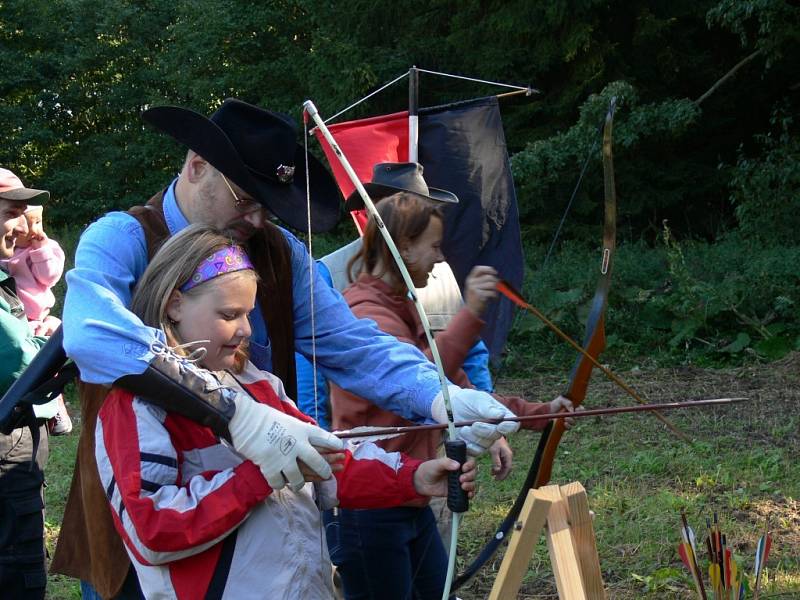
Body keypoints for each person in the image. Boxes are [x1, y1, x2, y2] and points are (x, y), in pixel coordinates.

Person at [53, 98, 519, 598]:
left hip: (264, 546)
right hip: (145, 521)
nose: (256, 219)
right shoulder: (123, 235)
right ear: (197, 166)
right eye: (244, 198)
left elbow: (354, 345)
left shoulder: (278, 252)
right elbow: (91, 333)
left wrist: (441, 398)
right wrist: (232, 414)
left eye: (267, 205)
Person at [95, 223, 477, 598]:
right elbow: (153, 529)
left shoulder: (257, 384)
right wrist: (262, 473)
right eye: (229, 315)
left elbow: (325, 458)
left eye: (248, 313)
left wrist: (414, 477)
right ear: (175, 304)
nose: (245, 329)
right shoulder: (138, 405)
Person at [328, 163, 576, 600]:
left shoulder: (406, 306)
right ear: (403, 247)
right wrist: (472, 312)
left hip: (410, 497)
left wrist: (540, 415)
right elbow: (421, 386)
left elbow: (458, 386)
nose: (441, 258)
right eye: (434, 247)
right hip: (372, 506)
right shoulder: (366, 313)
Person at [0, 168, 59, 599]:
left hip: (20, 427)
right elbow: (21, 360)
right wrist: (53, 335)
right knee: (16, 556)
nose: (22, 224)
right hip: (8, 436)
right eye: (11, 213)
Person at [0, 203, 72, 435]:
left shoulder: (43, 248)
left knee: (46, 363)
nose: (28, 229)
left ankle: (55, 406)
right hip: (19, 318)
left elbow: (50, 275)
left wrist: (40, 249)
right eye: (13, 215)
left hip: (36, 314)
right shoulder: (8, 254)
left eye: (35, 221)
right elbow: (19, 356)